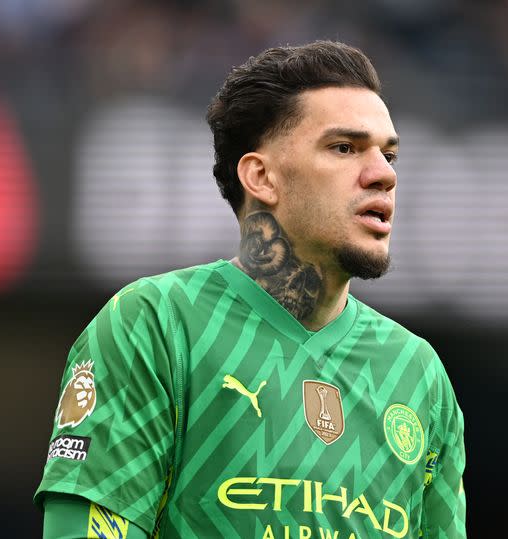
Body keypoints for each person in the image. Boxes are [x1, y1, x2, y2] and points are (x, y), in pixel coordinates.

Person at [35, 40, 466, 539]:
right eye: (344, 148)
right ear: (261, 177)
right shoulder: (157, 324)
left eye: (388, 154)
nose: (384, 175)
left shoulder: (419, 375)